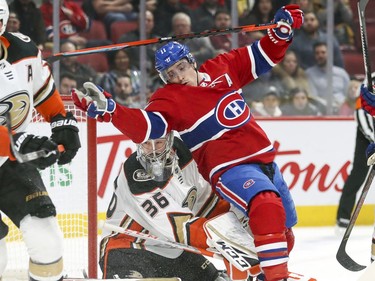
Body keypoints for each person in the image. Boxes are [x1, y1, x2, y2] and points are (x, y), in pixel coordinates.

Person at [73, 5, 304, 281]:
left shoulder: (223, 67)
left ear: (192, 62)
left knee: (283, 230)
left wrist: (281, 33)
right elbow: (147, 126)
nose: (178, 76)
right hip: (225, 173)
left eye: (181, 67)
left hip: (263, 163)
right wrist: (112, 111)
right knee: (265, 206)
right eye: (170, 74)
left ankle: (266, 274)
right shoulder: (168, 100)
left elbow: (263, 54)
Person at [0, 0, 81, 280]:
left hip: (9, 161)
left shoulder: (22, 50)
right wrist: (16, 143)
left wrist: (61, 122)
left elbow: (44, 93)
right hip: (12, 149)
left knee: (47, 240)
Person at [100, 131, 246, 280]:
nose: (153, 151)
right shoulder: (135, 174)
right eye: (146, 144)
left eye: (158, 142)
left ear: (169, 139)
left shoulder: (186, 154)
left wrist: (244, 227)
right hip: (127, 246)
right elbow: (179, 227)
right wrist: (229, 244)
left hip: (174, 248)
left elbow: (209, 205)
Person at [336, 73, 375, 233]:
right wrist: (373, 138)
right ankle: (343, 217)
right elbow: (361, 111)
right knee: (358, 174)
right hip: (368, 133)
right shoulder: (371, 78)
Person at [305, 41, 350, 114]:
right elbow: (313, 98)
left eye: (323, 52)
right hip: (322, 111)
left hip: (343, 110)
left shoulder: (341, 73)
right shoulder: (309, 74)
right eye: (317, 53)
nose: (320, 55)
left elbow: (349, 94)